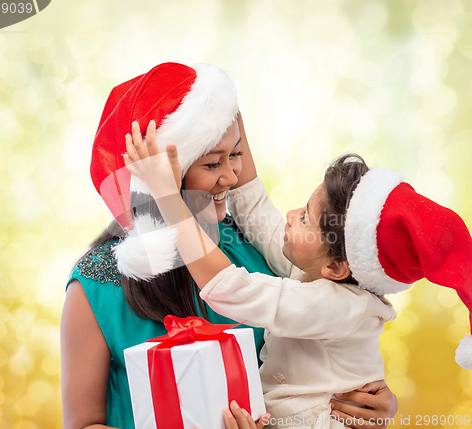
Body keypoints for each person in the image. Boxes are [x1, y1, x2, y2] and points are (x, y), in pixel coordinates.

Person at [61, 62, 399, 429]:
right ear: (163, 178)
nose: (232, 175)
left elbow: (323, 361)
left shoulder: (255, 248)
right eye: (212, 163)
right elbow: (82, 424)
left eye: (235, 154)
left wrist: (370, 399)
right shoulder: (97, 283)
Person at [124, 118, 472, 428]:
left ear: (336, 267)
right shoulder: (320, 273)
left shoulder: (340, 307)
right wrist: (226, 106)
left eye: (305, 217)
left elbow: (232, 288)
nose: (290, 214)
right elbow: (255, 207)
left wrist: (169, 199)